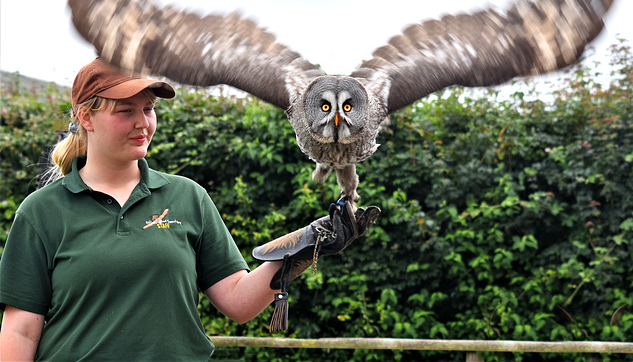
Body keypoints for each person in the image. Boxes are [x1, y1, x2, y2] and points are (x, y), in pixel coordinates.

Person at [0, 58, 378, 360]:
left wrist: (306, 244)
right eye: (125, 111)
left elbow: (237, 300)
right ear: (86, 117)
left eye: (148, 109)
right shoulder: (41, 212)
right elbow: (20, 330)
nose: (143, 123)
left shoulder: (186, 197)